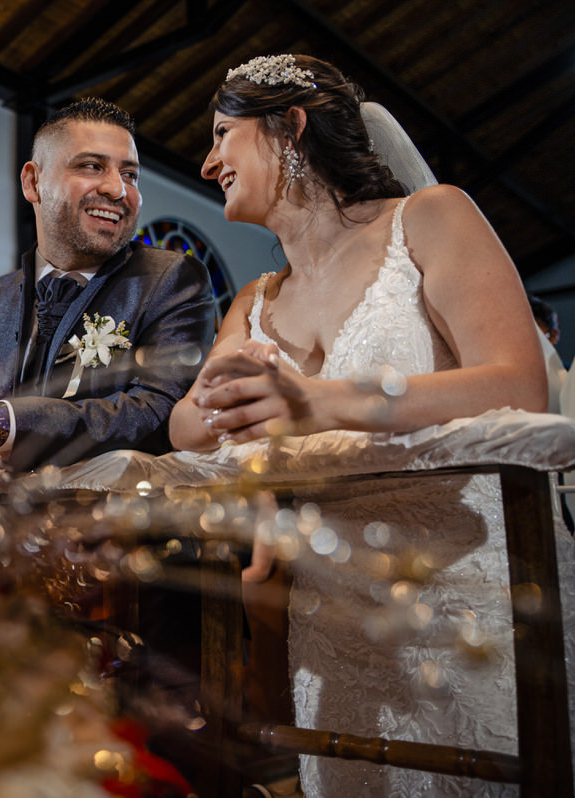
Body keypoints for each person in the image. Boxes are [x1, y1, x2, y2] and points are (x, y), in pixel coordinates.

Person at [168, 54, 575, 796]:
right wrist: (213, 397)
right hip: (332, 626)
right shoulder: (256, 298)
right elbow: (183, 430)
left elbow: (517, 383)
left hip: (471, 602)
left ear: (289, 126)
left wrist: (318, 400)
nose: (207, 161)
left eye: (224, 134)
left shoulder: (430, 218)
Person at [0, 98, 215, 473]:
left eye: (130, 175)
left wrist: (4, 424)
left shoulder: (172, 280)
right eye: (92, 166)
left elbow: (161, 413)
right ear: (32, 181)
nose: (117, 189)